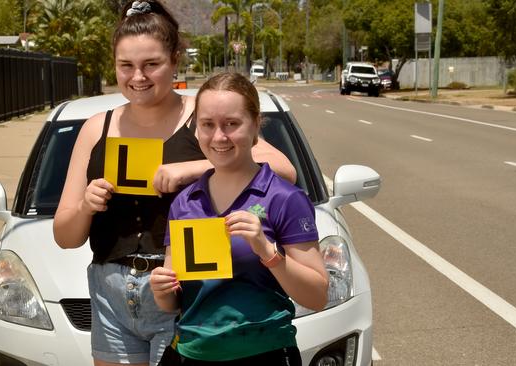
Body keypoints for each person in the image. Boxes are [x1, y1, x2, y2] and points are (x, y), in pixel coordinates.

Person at [53, 2, 296, 365]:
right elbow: (65, 236)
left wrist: (195, 168)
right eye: (126, 66)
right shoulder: (95, 127)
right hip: (111, 292)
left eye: (151, 64)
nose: (138, 77)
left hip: (183, 285)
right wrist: (87, 205)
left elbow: (282, 169)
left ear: (175, 60)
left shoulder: (202, 120)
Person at [150, 72, 329, 366]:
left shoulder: (284, 198)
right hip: (192, 353)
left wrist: (266, 250)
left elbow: (317, 296)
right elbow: (173, 301)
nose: (219, 137)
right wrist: (161, 290)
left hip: (264, 353)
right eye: (207, 125)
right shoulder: (185, 202)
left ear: (256, 125)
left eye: (231, 124)